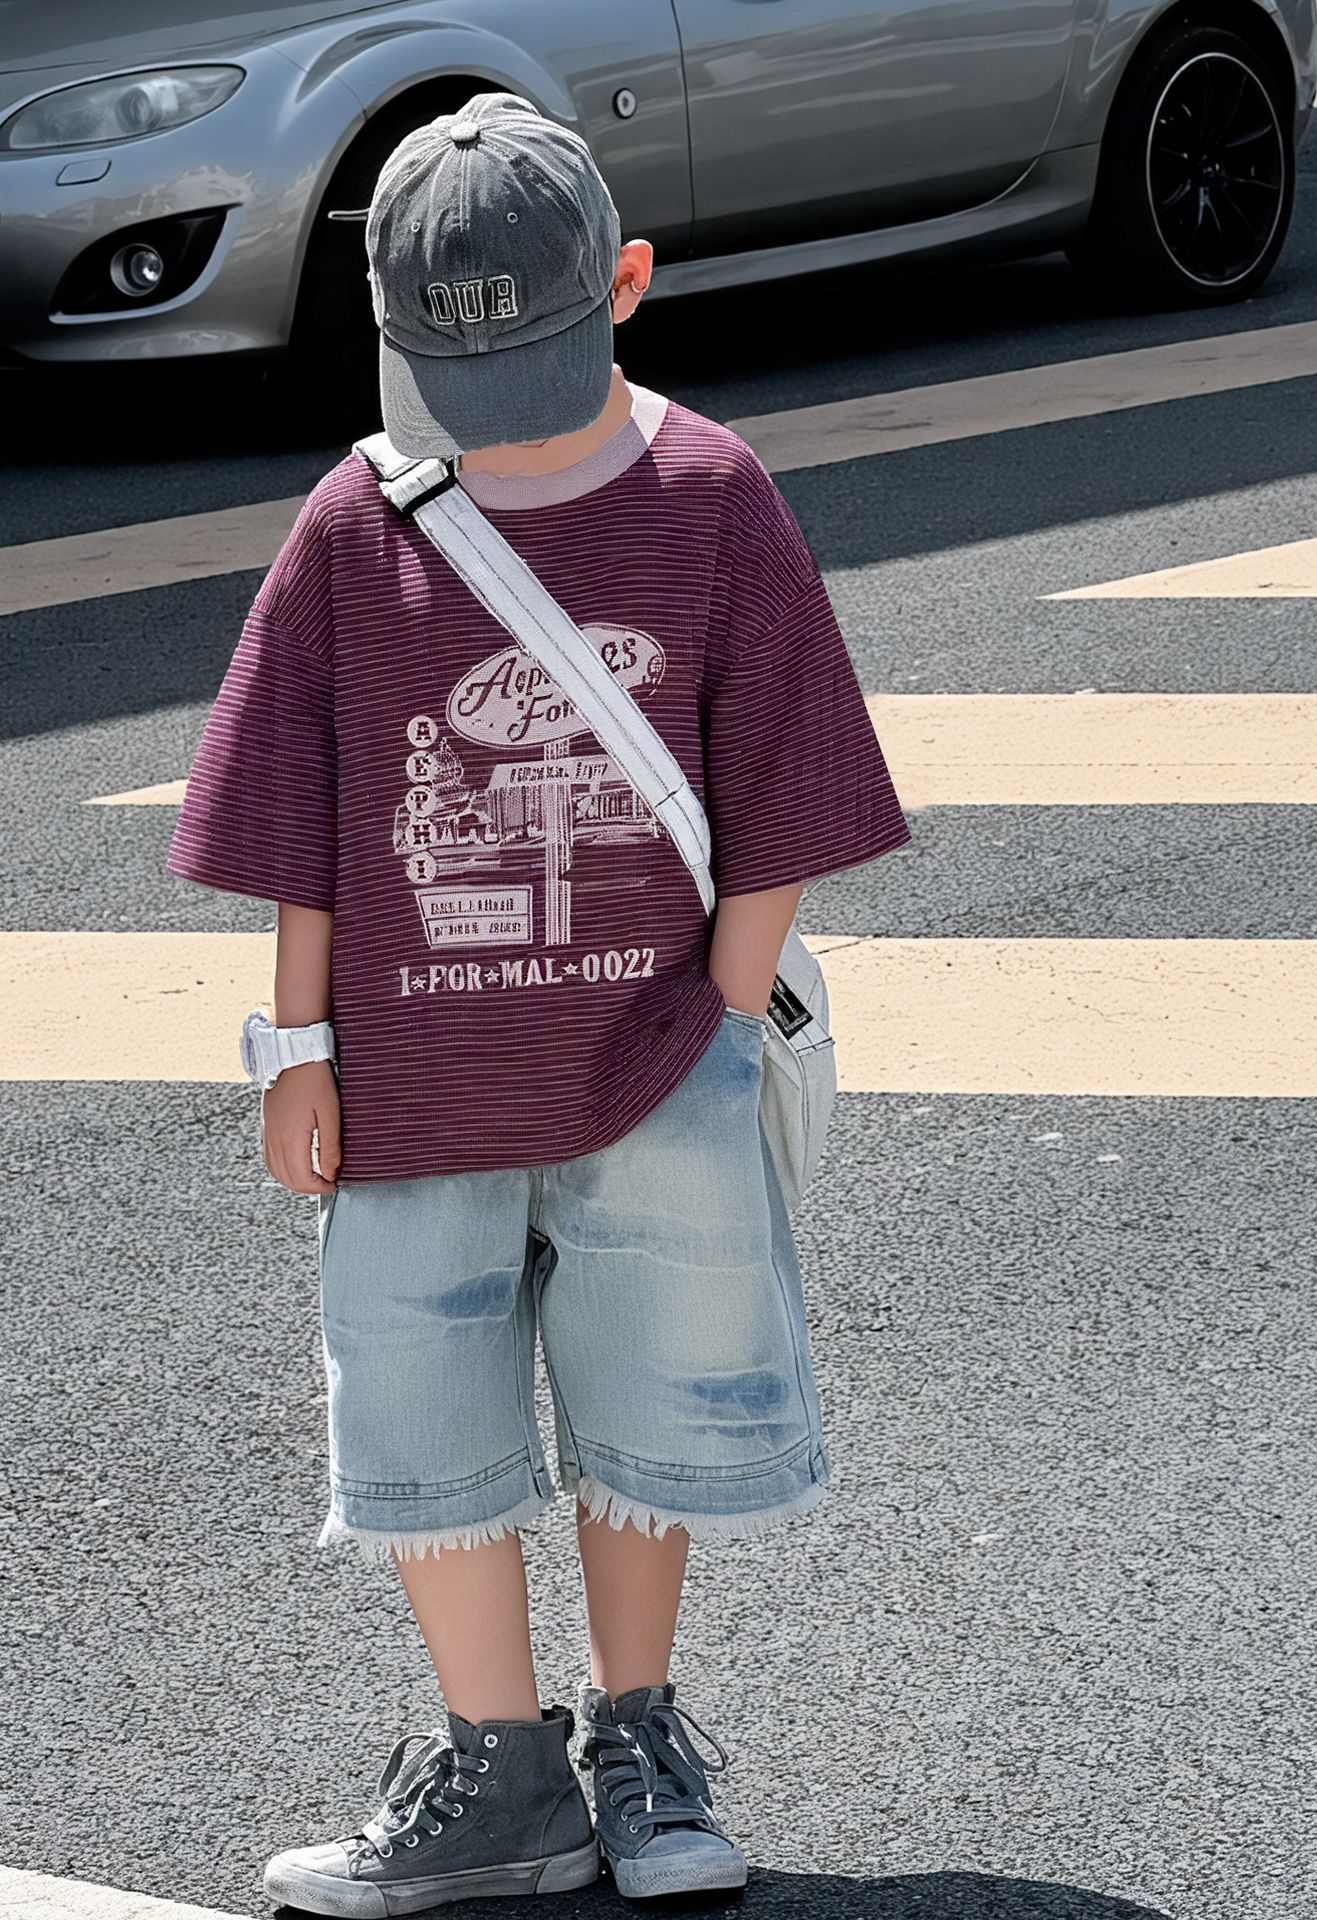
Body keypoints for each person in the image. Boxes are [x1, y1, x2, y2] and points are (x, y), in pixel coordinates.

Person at [168, 90, 910, 1913]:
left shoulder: (711, 495)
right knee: (419, 1410)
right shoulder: (357, 519)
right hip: (411, 1077)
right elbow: (299, 808)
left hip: (654, 1059)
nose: (492, 429)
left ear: (632, 286)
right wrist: (296, 1050)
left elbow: (785, 786)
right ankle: (500, 1765)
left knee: (650, 1396)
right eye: (457, 385)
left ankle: (634, 1732)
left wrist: (724, 1022)